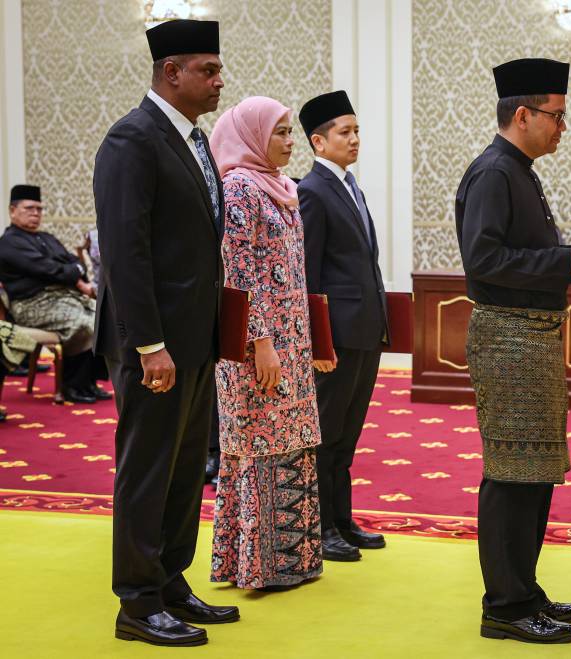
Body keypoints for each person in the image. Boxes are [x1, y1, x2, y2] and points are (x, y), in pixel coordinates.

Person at [456, 57, 571, 644]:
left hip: (530, 337)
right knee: (510, 473)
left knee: (534, 472)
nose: (562, 128)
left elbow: (525, 254)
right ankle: (503, 605)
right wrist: (566, 262)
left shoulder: (520, 169)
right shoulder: (494, 173)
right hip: (508, 338)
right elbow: (482, 261)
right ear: (523, 114)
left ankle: (524, 589)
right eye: (556, 117)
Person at [93, 19, 238, 646]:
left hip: (195, 337)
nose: (218, 80)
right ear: (169, 72)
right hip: (152, 342)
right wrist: (148, 343)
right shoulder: (133, 139)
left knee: (185, 468)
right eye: (207, 69)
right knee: (148, 469)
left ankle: (172, 581)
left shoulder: (195, 141)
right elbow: (126, 254)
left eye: (217, 69)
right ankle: (137, 602)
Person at [208, 96, 332, 590]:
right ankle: (257, 564)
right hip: (256, 346)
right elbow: (237, 273)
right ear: (253, 136)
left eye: (288, 131)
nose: (288, 141)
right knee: (258, 446)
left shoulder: (282, 188)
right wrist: (259, 341)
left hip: (292, 345)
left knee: (295, 445)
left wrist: (309, 338)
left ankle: (294, 560)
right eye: (279, 132)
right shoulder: (239, 188)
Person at [298, 90, 388, 562]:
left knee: (348, 432)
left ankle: (343, 518)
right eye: (344, 132)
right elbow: (309, 275)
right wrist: (318, 340)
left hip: (364, 330)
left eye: (357, 130)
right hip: (334, 335)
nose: (355, 139)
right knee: (328, 432)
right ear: (318, 141)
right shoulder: (311, 191)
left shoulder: (350, 185)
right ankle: (322, 525)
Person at [0, 185, 108, 403]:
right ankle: (72, 386)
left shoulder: (47, 238)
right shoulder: (9, 242)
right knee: (83, 323)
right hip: (32, 305)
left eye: (39, 209)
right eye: (30, 208)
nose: (36, 213)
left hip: (65, 298)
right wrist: (72, 273)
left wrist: (71, 271)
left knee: (103, 316)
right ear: (13, 211)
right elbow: (47, 269)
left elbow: (73, 263)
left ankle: (89, 383)